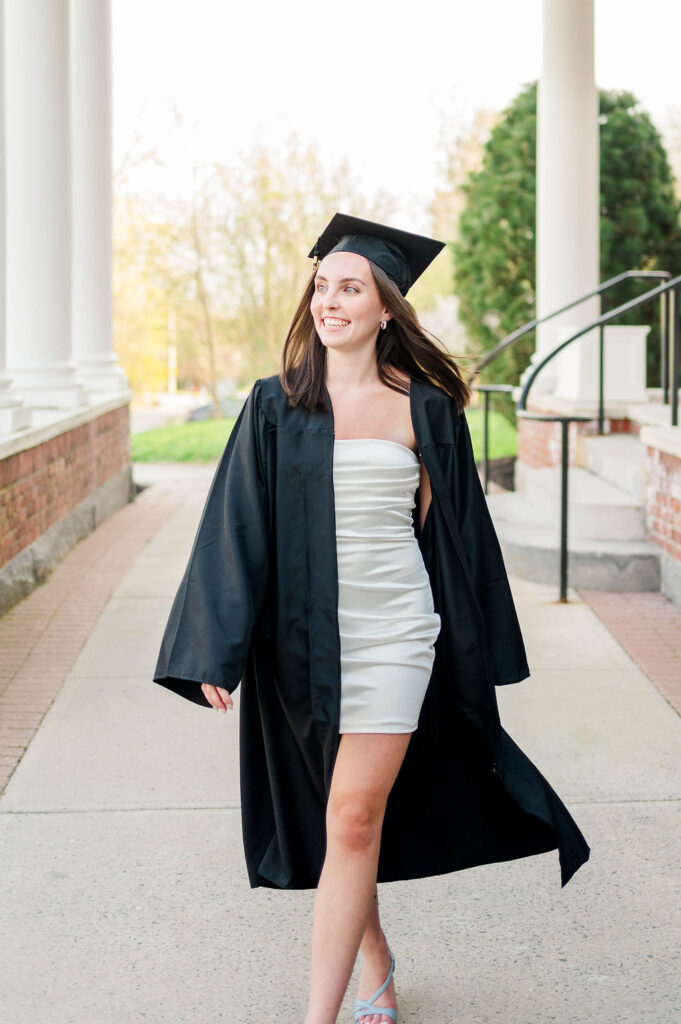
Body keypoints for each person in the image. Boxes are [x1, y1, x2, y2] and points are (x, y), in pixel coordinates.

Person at [153, 213, 590, 1024]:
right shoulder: (274, 407)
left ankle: (317, 1017)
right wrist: (215, 648)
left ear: (385, 307)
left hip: (394, 634)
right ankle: (375, 959)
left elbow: (452, 537)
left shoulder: (425, 410)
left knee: (353, 815)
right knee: (339, 825)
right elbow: (235, 528)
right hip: (301, 647)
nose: (329, 301)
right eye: (321, 287)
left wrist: (470, 645)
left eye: (349, 287)